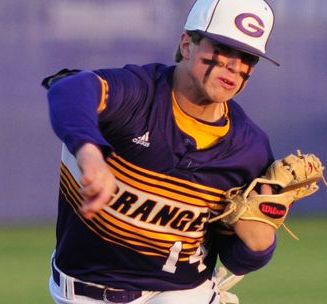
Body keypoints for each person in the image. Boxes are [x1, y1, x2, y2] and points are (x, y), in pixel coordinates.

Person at [43, 0, 280, 303]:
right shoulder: (138, 94)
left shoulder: (249, 149)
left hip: (183, 291)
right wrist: (89, 153)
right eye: (223, 47)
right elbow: (69, 89)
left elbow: (235, 258)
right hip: (85, 290)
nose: (234, 65)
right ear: (187, 43)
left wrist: (259, 246)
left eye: (247, 56)